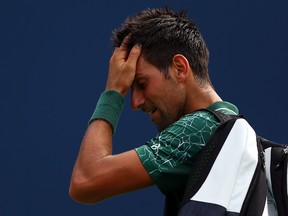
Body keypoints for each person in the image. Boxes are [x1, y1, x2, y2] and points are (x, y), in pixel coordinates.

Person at [69, 6, 239, 215]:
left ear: (179, 68)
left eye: (141, 83)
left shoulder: (201, 127)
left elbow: (85, 180)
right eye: (129, 89)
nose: (135, 102)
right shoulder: (232, 129)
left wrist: (113, 91)